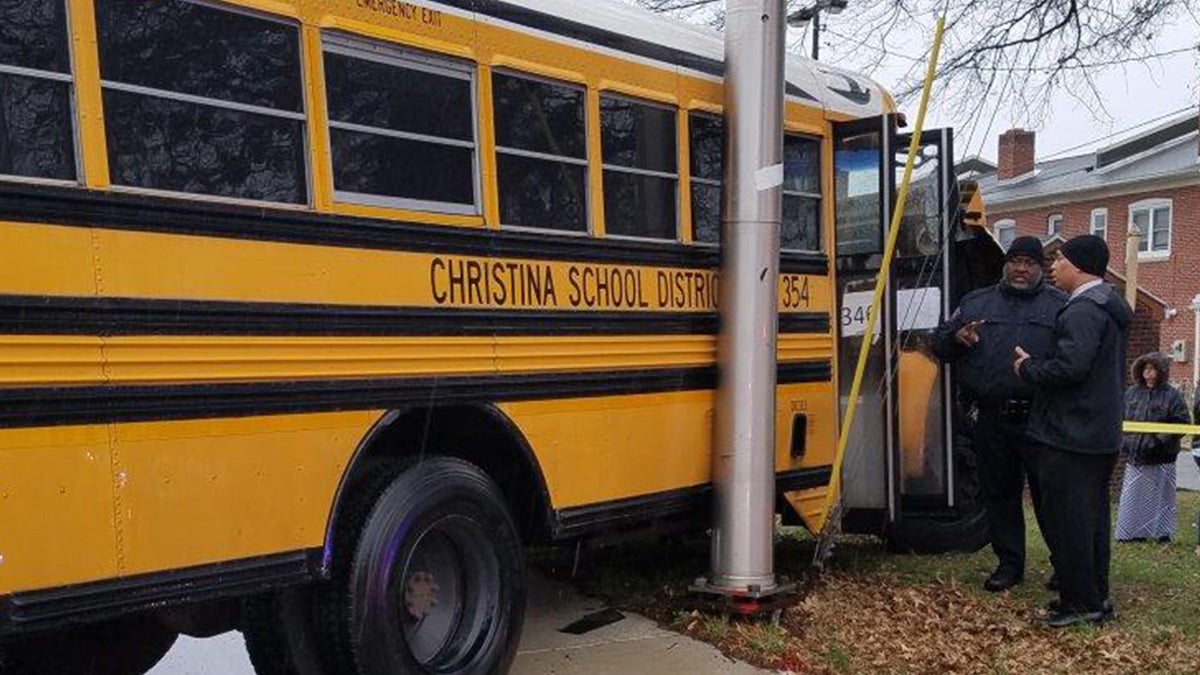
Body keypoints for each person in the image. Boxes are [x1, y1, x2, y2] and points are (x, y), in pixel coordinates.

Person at [932, 236, 1065, 592]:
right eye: (1015, 261)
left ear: (1041, 268)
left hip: (1042, 418)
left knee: (1050, 497)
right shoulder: (976, 302)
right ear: (1005, 264)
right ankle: (1009, 564)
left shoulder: (1060, 306)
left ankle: (1064, 565)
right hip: (993, 418)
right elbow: (939, 345)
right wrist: (954, 337)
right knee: (1000, 495)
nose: (1021, 269)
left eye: (1030, 263)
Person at [1013, 234, 1132, 628]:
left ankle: (1080, 605)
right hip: (1097, 432)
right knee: (1093, 520)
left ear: (1079, 266)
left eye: (1059, 259)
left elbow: (1070, 368)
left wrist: (1028, 367)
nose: (1053, 266)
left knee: (1071, 521)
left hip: (1070, 433)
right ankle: (1095, 598)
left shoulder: (1082, 310)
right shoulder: (1108, 304)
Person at [1116, 353, 1189, 542]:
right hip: (1136, 456)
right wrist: (1127, 442)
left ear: (1160, 371)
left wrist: (1159, 440)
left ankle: (1161, 533)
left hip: (1161, 458)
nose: (1148, 372)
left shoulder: (1172, 396)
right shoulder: (1131, 394)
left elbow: (1181, 422)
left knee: (1160, 499)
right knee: (1133, 498)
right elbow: (1121, 420)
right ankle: (1129, 533)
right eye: (1145, 368)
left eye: (1152, 368)